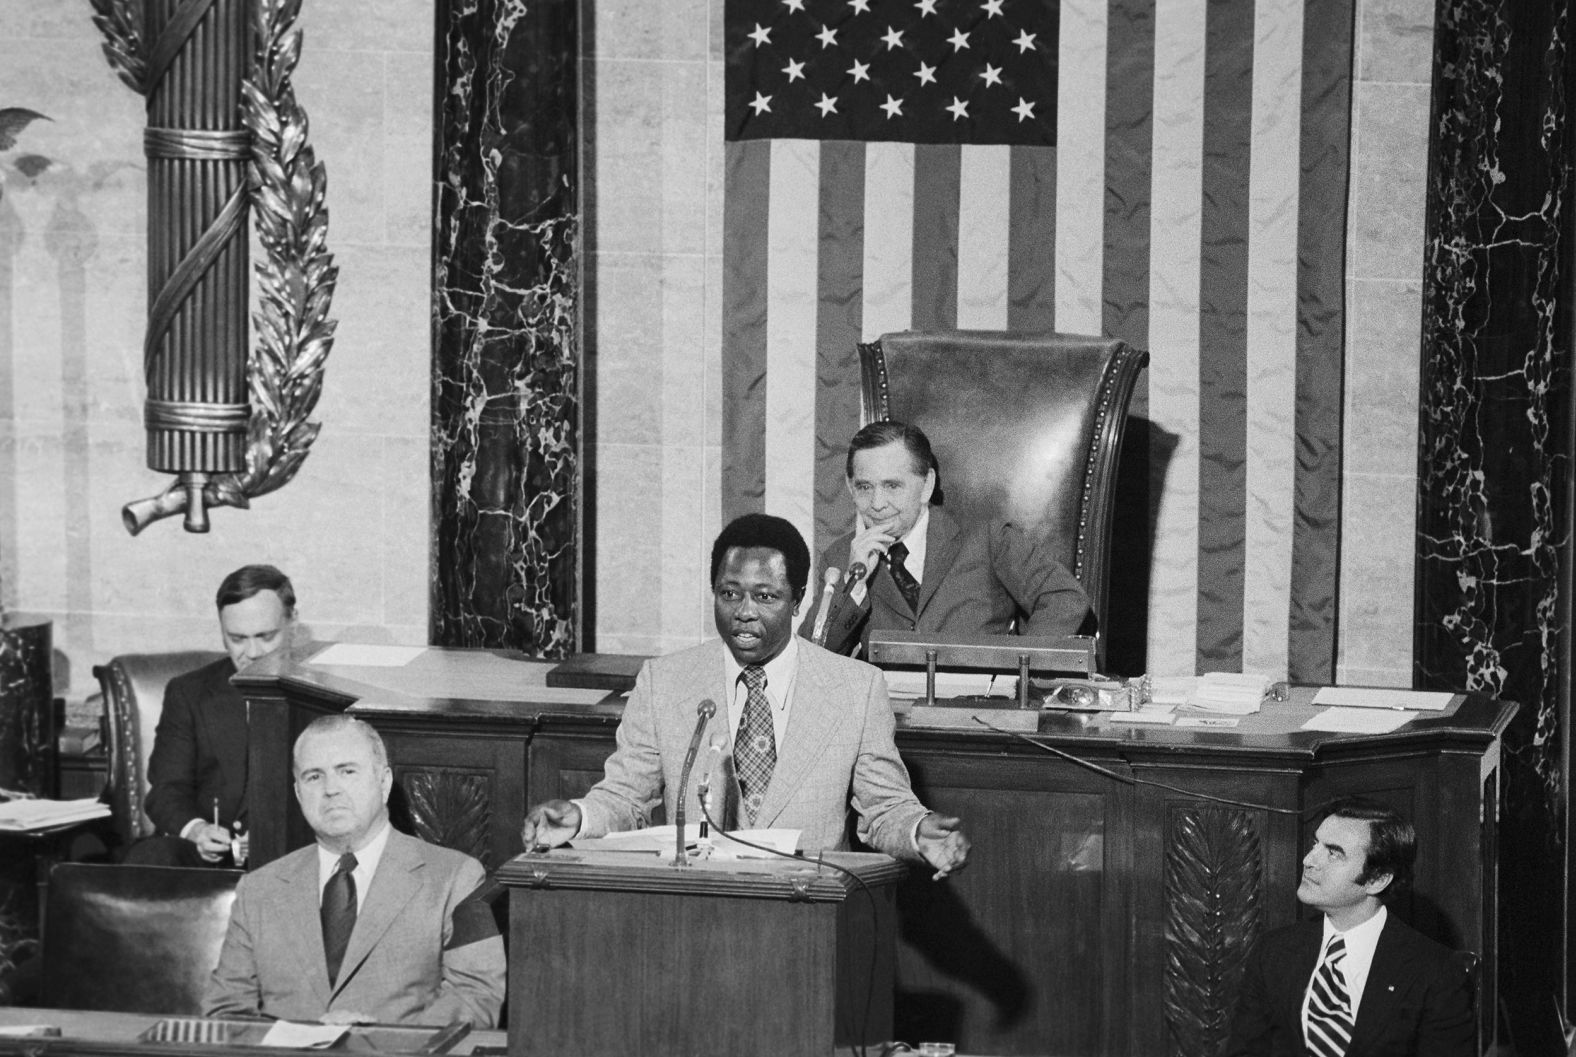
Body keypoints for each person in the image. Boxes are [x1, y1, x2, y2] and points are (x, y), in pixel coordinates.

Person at [521, 513, 970, 876]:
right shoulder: (665, 682)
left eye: (766, 596)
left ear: (797, 601)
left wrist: (917, 831)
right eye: (729, 594)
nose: (745, 613)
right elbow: (625, 798)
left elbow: (883, 808)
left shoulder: (856, 687)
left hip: (810, 911)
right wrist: (578, 817)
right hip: (699, 909)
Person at [205, 715, 505, 1027]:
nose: (331, 789)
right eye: (313, 777)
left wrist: (380, 1041)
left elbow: (476, 997)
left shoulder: (458, 879)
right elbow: (225, 1012)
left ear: (384, 782)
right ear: (298, 794)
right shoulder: (258, 889)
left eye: (347, 771)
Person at [798, 421, 1090, 657]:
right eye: (864, 487)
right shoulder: (841, 558)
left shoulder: (987, 537)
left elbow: (1063, 598)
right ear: (850, 488)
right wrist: (853, 586)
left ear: (926, 485)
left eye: (892, 486)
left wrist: (1018, 670)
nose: (877, 503)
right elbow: (810, 657)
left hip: (977, 713)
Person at [1224, 797, 1474, 1057]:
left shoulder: (1435, 971)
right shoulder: (1273, 952)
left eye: (1333, 852)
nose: (1309, 860)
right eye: (1315, 844)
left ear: (1376, 879)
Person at [128, 564, 297, 867]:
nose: (253, 652)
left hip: (294, 855)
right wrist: (198, 831)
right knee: (149, 859)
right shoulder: (189, 693)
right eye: (237, 638)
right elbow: (166, 790)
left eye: (265, 636)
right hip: (210, 857)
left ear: (292, 623)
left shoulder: (325, 693)